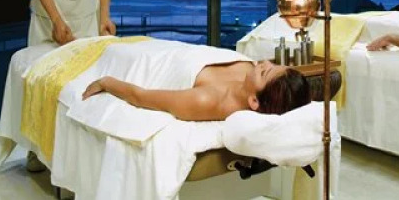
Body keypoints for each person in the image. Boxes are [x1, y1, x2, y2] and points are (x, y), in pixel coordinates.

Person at [27, 0, 115, 173]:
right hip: (48, 16)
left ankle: (78, 146)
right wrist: (56, 21)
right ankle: (35, 150)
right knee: (42, 81)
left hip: (85, 15)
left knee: (81, 82)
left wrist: (104, 17)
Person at [82, 59, 311, 120]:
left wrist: (106, 82)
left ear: (254, 102)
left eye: (265, 71)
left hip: (143, 61)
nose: (264, 62)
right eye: (273, 64)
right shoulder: (247, 74)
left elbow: (140, 96)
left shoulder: (206, 101)